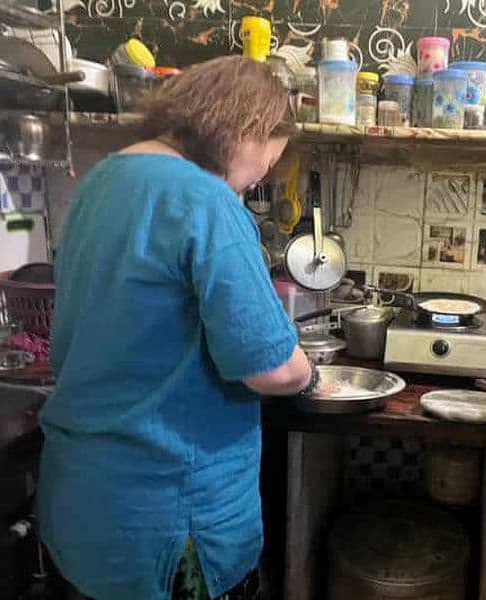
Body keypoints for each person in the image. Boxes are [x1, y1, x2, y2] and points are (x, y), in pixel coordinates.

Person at [36, 56, 318, 600]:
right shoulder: (203, 199)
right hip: (169, 520)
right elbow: (271, 367)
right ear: (247, 129)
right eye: (268, 160)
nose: (261, 177)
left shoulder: (101, 181)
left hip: (81, 505)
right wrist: (307, 373)